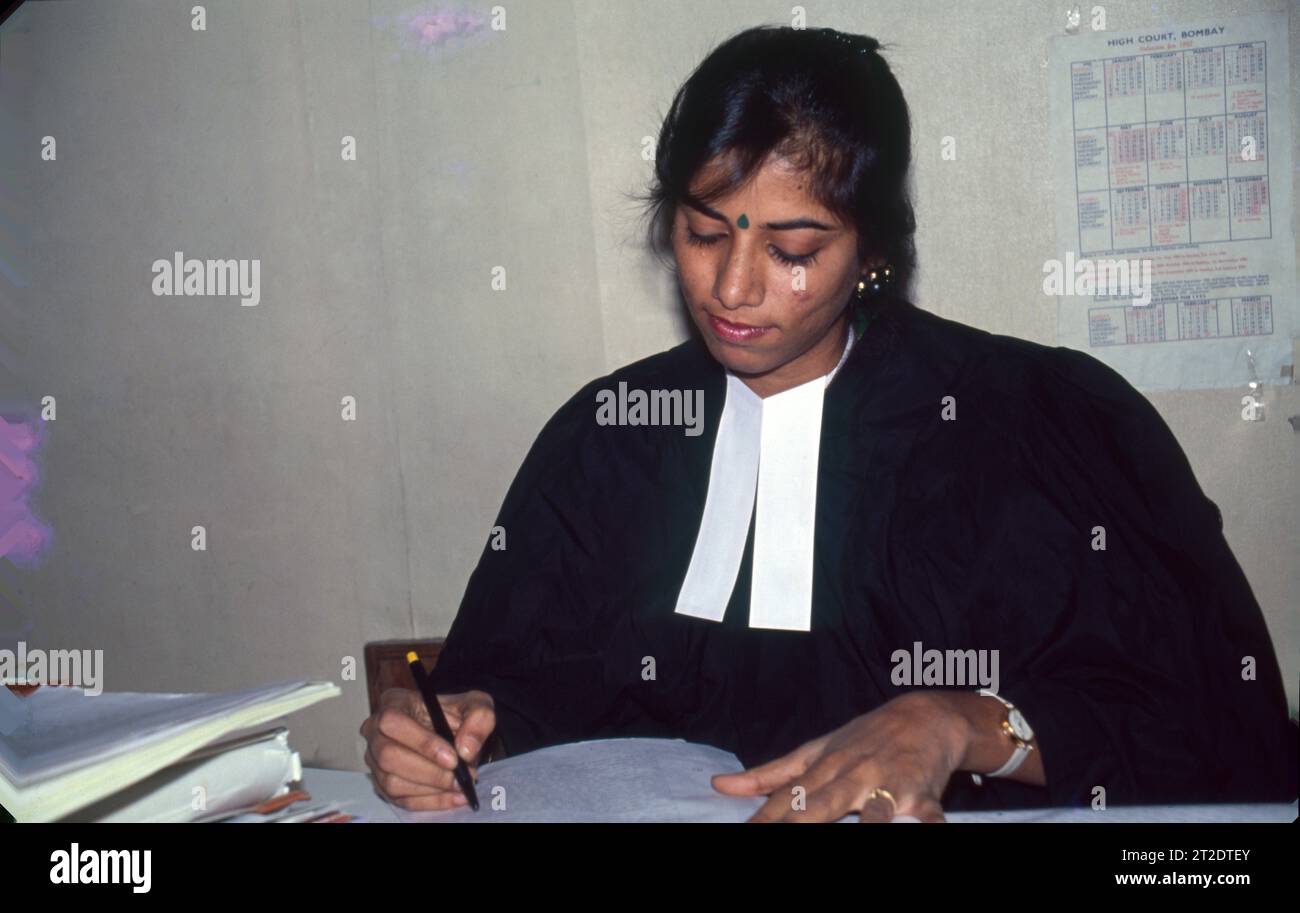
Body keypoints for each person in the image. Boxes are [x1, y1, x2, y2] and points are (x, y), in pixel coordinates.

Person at [359, 25, 1297, 822]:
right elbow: (514, 692)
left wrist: (963, 723)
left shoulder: (1044, 423)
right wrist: (453, 727)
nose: (733, 288)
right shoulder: (609, 437)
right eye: (704, 232)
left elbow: (1221, 726)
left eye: (794, 248)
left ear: (874, 250)